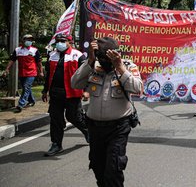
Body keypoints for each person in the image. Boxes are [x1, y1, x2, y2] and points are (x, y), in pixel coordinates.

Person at [71, 37, 143, 187]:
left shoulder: (127, 66)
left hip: (118, 128)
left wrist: (120, 68)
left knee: (114, 168)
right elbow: (75, 83)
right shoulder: (93, 66)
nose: (104, 61)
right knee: (98, 167)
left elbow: (138, 88)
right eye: (100, 57)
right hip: (94, 127)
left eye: (107, 57)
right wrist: (90, 60)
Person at [42, 33, 89, 156]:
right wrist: (44, 90)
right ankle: (56, 144)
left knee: (74, 117)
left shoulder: (78, 55)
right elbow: (48, 76)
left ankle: (88, 131)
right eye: (57, 41)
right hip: (55, 93)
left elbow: (86, 74)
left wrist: (86, 90)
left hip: (72, 93)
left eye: (63, 41)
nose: (59, 43)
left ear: (70, 42)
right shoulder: (52, 56)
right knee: (55, 119)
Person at [5, 34, 44, 112]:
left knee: (26, 87)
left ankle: (20, 104)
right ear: (23, 40)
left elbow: (39, 62)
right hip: (22, 73)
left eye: (30, 40)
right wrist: (7, 69)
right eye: (27, 40)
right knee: (26, 88)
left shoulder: (34, 50)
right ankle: (31, 101)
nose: (29, 41)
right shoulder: (17, 50)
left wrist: (41, 72)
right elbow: (12, 60)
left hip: (31, 73)